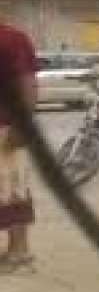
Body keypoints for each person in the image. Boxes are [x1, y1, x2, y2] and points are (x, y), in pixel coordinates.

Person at [0, 21, 38, 273]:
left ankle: (19, 252)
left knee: (11, 191)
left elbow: (27, 82)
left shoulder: (12, 38)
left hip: (5, 129)